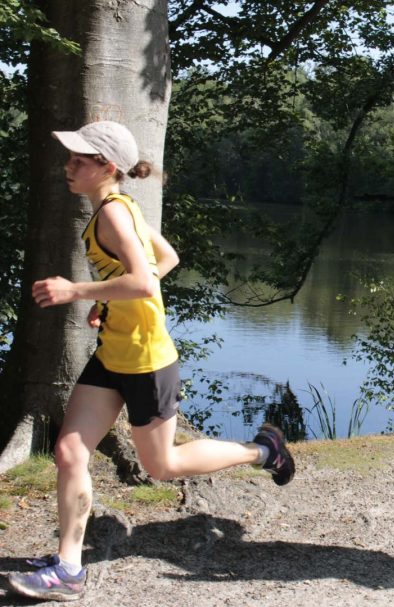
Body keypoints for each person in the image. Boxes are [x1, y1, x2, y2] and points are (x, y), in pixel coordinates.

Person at [8, 121, 296, 602]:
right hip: (112, 354)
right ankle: (69, 568)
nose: (68, 166)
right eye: (69, 158)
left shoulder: (114, 214)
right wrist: (108, 300)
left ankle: (264, 450)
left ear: (107, 167)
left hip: (146, 360)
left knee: (162, 465)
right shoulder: (120, 208)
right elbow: (168, 258)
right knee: (70, 452)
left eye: (79, 160)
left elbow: (145, 281)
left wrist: (77, 290)